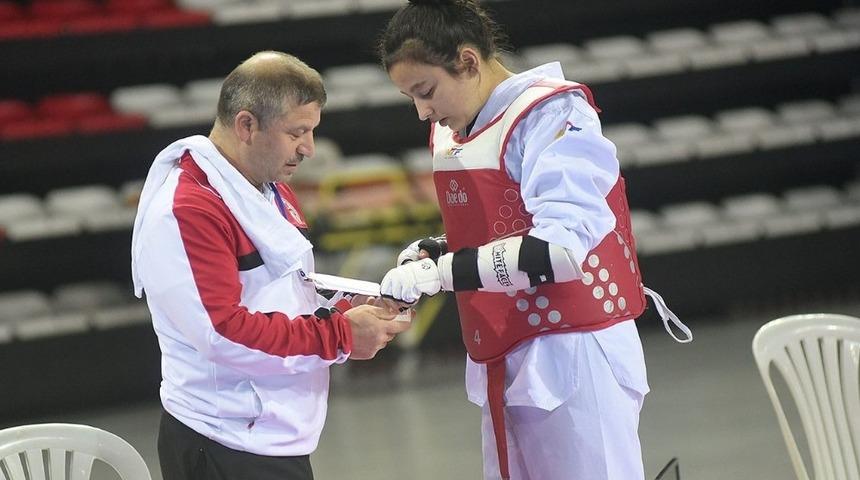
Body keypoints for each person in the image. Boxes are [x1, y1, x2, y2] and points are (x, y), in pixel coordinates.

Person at [377, 2, 691, 479]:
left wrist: (441, 273)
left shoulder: (553, 112)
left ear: (468, 61)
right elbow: (502, 225)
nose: (423, 112)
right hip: (505, 345)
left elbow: (561, 248)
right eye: (410, 99)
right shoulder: (453, 132)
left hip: (576, 349)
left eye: (426, 91)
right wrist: (438, 249)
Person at [130, 51, 409, 480]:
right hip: (224, 444)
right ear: (246, 125)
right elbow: (223, 333)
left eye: (312, 131)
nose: (309, 148)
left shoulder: (265, 188)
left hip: (269, 436)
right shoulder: (188, 210)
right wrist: (340, 336)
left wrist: (345, 308)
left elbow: (283, 294)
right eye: (297, 132)